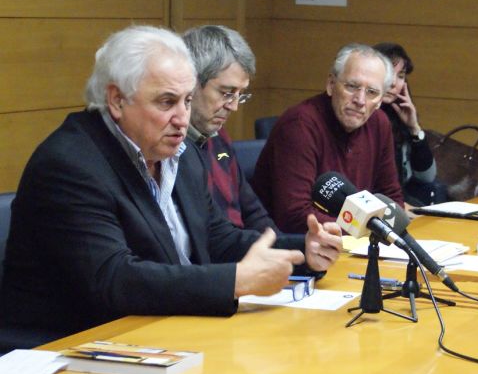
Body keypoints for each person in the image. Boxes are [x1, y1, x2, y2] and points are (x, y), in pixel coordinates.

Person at [0, 25, 342, 346]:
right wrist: (235, 281)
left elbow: (217, 237)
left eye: (187, 101)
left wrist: (303, 252)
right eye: (166, 102)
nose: (181, 119)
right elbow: (113, 279)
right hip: (73, 343)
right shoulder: (71, 165)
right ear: (117, 100)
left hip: (161, 330)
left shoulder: (182, 154)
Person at [251, 43, 403, 233]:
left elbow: (391, 196)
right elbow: (294, 215)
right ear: (331, 84)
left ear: (380, 101)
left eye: (371, 92)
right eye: (352, 86)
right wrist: (367, 229)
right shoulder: (299, 125)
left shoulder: (379, 123)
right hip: (293, 248)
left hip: (354, 244)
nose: (360, 100)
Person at [182, 25, 278, 233]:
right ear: (191, 82)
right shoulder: (170, 149)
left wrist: (287, 253)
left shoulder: (217, 136)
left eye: (240, 95)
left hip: (244, 254)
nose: (234, 106)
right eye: (226, 93)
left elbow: (253, 213)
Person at [372, 42, 444, 206]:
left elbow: (426, 177)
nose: (393, 83)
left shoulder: (397, 116)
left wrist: (414, 128)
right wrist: (401, 208)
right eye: (388, 73)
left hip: (399, 202)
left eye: (401, 76)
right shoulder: (360, 118)